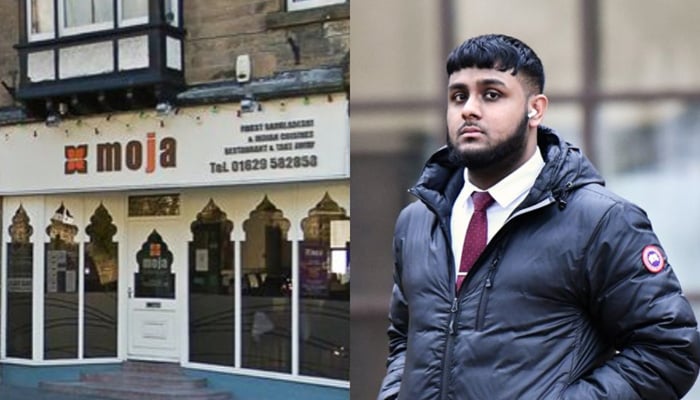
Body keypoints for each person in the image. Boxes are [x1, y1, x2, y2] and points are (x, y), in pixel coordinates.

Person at [377, 33, 700, 400]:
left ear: (536, 109)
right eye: (458, 96)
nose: (469, 109)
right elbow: (405, 337)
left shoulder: (601, 221)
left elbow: (669, 350)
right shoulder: (417, 221)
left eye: (492, 94)